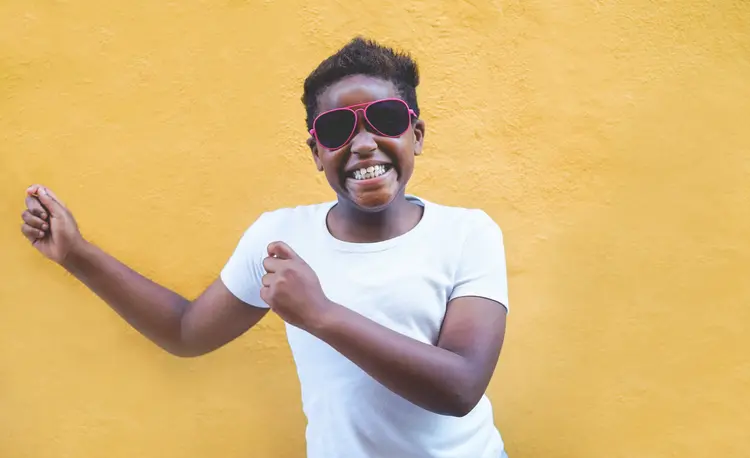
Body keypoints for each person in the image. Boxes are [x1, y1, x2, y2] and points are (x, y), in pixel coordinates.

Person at [20, 37, 510, 458]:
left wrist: (320, 314)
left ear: (416, 135)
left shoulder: (467, 233)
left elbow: (460, 386)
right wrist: (78, 255)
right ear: (317, 153)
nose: (363, 144)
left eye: (385, 118)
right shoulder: (281, 239)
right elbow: (186, 332)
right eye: (339, 129)